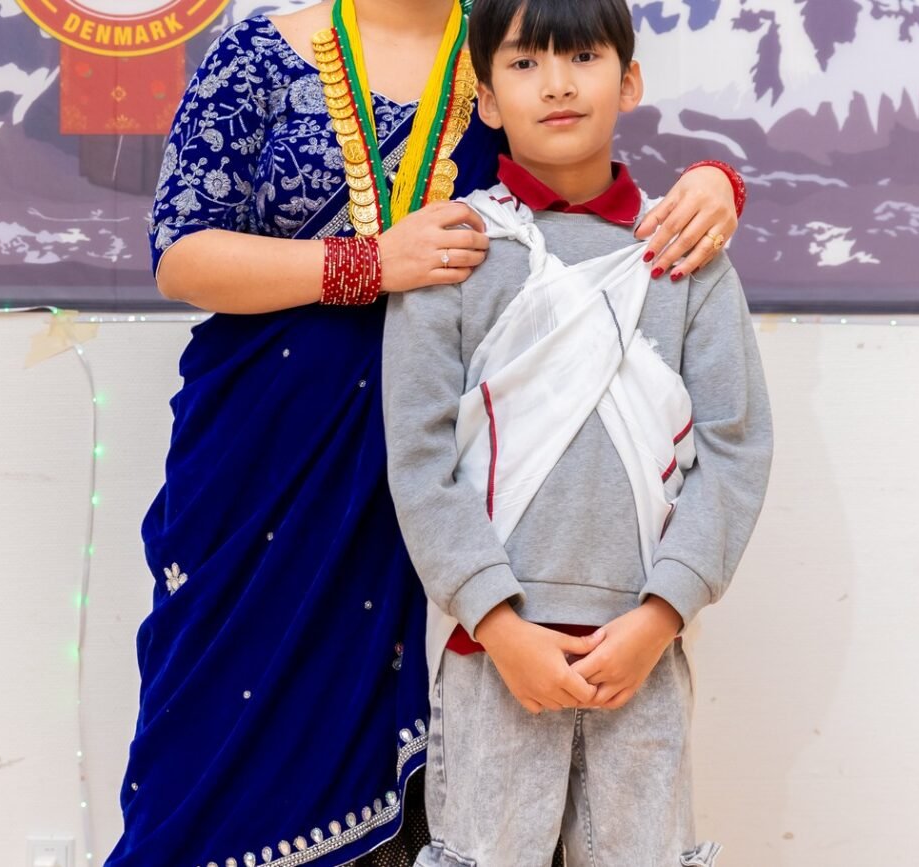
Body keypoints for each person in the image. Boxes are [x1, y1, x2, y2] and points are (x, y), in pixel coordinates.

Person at [109, 0, 749, 864]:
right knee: (217, 736)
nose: (549, 79)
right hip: (269, 462)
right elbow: (181, 255)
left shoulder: (498, 46)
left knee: (442, 764)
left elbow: (573, 181)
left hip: (453, 488)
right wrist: (369, 264)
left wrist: (714, 182)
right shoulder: (257, 52)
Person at [381, 0, 773, 865]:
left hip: (643, 644)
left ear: (629, 81)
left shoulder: (683, 253)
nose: (557, 84)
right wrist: (498, 623)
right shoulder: (454, 251)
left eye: (583, 58)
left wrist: (660, 615)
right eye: (525, 64)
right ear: (486, 99)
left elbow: (735, 448)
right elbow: (418, 455)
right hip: (493, 649)